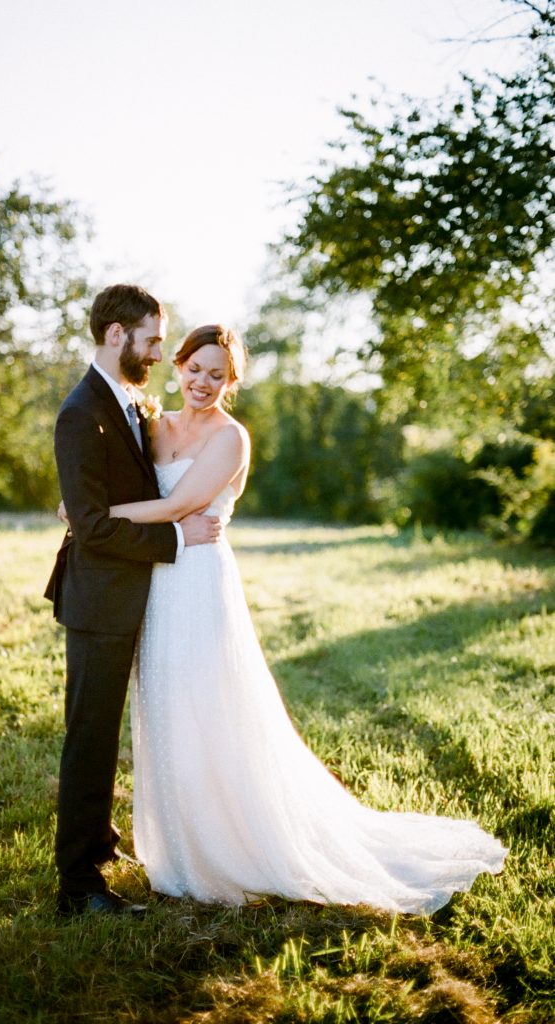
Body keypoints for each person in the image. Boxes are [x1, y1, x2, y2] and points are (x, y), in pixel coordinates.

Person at [62, 324, 507, 914]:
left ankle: (233, 845)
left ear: (232, 382)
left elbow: (176, 507)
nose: (203, 383)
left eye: (218, 376)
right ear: (178, 364)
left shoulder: (231, 438)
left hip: (197, 582)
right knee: (166, 709)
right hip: (154, 582)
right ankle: (181, 841)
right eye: (195, 369)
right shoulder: (151, 423)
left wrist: (88, 512)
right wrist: (94, 506)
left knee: (210, 708)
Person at [45, 285, 221, 918]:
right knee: (90, 739)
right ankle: (78, 887)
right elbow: (91, 525)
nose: (156, 353)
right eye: (150, 340)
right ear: (116, 335)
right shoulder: (79, 411)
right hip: (98, 600)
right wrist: (176, 535)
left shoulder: (127, 403)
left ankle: (99, 841)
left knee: (105, 730)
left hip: (130, 598)